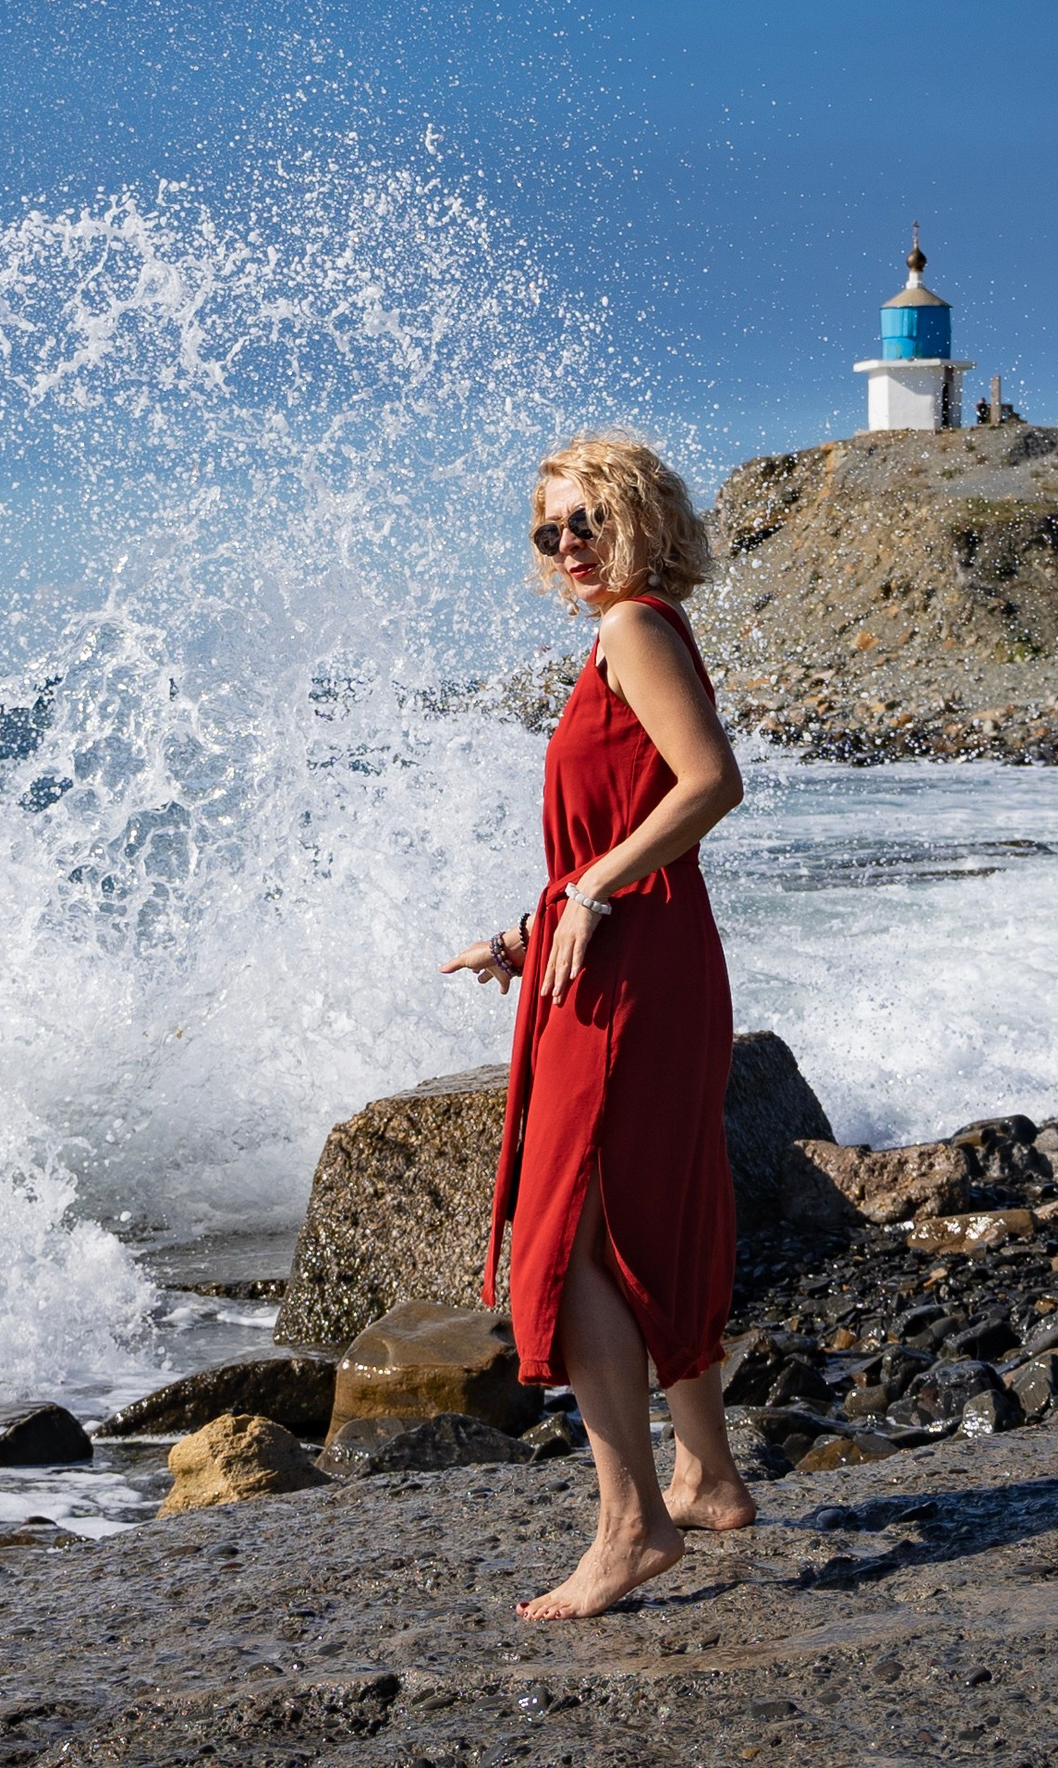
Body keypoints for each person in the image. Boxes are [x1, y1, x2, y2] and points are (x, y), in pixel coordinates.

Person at [441, 431, 754, 1621]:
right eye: (548, 529)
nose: (567, 546)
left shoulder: (633, 627)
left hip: (633, 970)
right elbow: (632, 823)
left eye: (588, 522)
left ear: (638, 522)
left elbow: (710, 781)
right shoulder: (637, 631)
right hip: (631, 955)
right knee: (638, 1212)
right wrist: (528, 932)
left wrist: (586, 890)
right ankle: (709, 1473)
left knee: (563, 1234)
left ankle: (633, 1525)